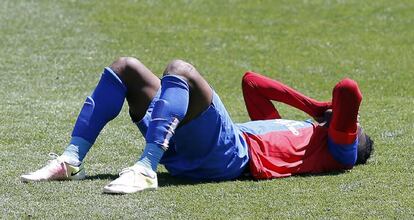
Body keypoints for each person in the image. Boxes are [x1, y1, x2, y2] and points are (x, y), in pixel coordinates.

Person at [21, 57, 373, 194]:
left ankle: (146, 167)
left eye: (349, 127)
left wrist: (321, 112)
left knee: (182, 71)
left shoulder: (338, 153)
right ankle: (70, 159)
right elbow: (252, 82)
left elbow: (346, 90)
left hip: (231, 154)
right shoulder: (295, 132)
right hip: (201, 146)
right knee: (126, 68)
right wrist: (310, 111)